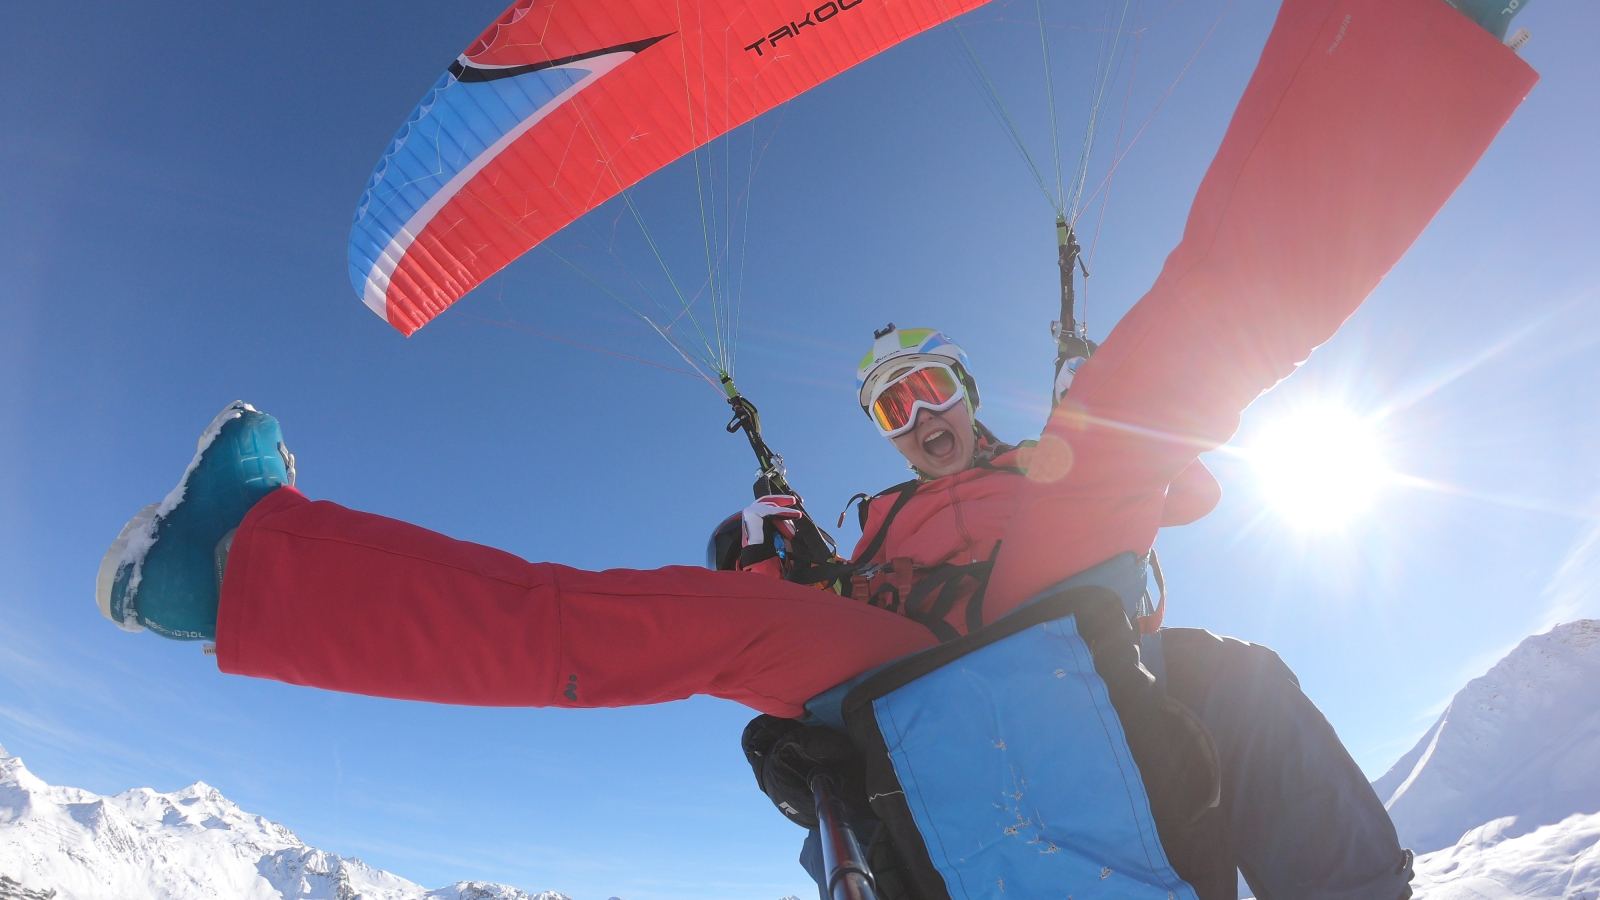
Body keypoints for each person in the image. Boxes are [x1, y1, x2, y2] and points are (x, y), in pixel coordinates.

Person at [97, 0, 1538, 896]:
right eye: (894, 409)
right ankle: (223, 576)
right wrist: (788, 643)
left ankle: (1423, 28)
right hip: (884, 645)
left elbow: (1153, 513)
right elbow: (777, 647)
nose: (922, 417)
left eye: (933, 389)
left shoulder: (1050, 465)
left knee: (1182, 360)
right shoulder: (869, 534)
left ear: (970, 388)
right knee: (648, 619)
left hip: (1051, 575)